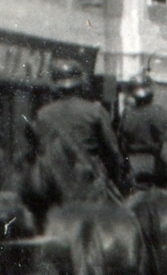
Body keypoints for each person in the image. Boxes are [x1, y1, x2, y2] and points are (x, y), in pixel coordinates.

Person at [32, 59, 130, 196]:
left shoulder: (42, 114)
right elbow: (112, 151)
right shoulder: (95, 111)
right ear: (81, 84)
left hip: (53, 187)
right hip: (89, 183)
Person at [117, 80, 167, 188]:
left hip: (132, 166)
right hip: (157, 167)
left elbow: (120, 143)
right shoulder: (162, 113)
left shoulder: (126, 114)